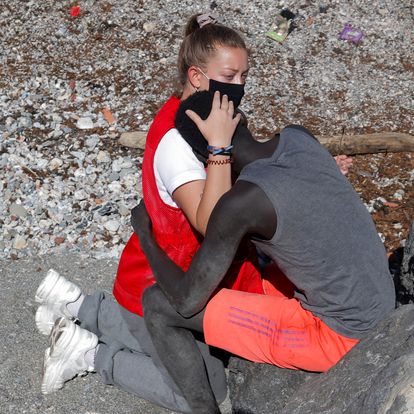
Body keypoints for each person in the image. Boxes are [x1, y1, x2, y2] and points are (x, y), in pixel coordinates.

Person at [35, 13, 265, 413]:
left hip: (171, 278)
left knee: (213, 370)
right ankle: (89, 354)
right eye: (229, 76)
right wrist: (221, 150)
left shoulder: (198, 115)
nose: (240, 87)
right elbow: (211, 223)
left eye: (245, 75)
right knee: (205, 398)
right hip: (163, 288)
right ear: (197, 77)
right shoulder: (179, 144)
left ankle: (77, 305)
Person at [133, 92, 396, 413]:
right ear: (241, 118)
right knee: (252, 269)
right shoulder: (297, 136)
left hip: (343, 334)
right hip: (379, 300)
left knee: (158, 303)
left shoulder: (241, 204)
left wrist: (145, 235)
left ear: (205, 159)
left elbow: (187, 301)